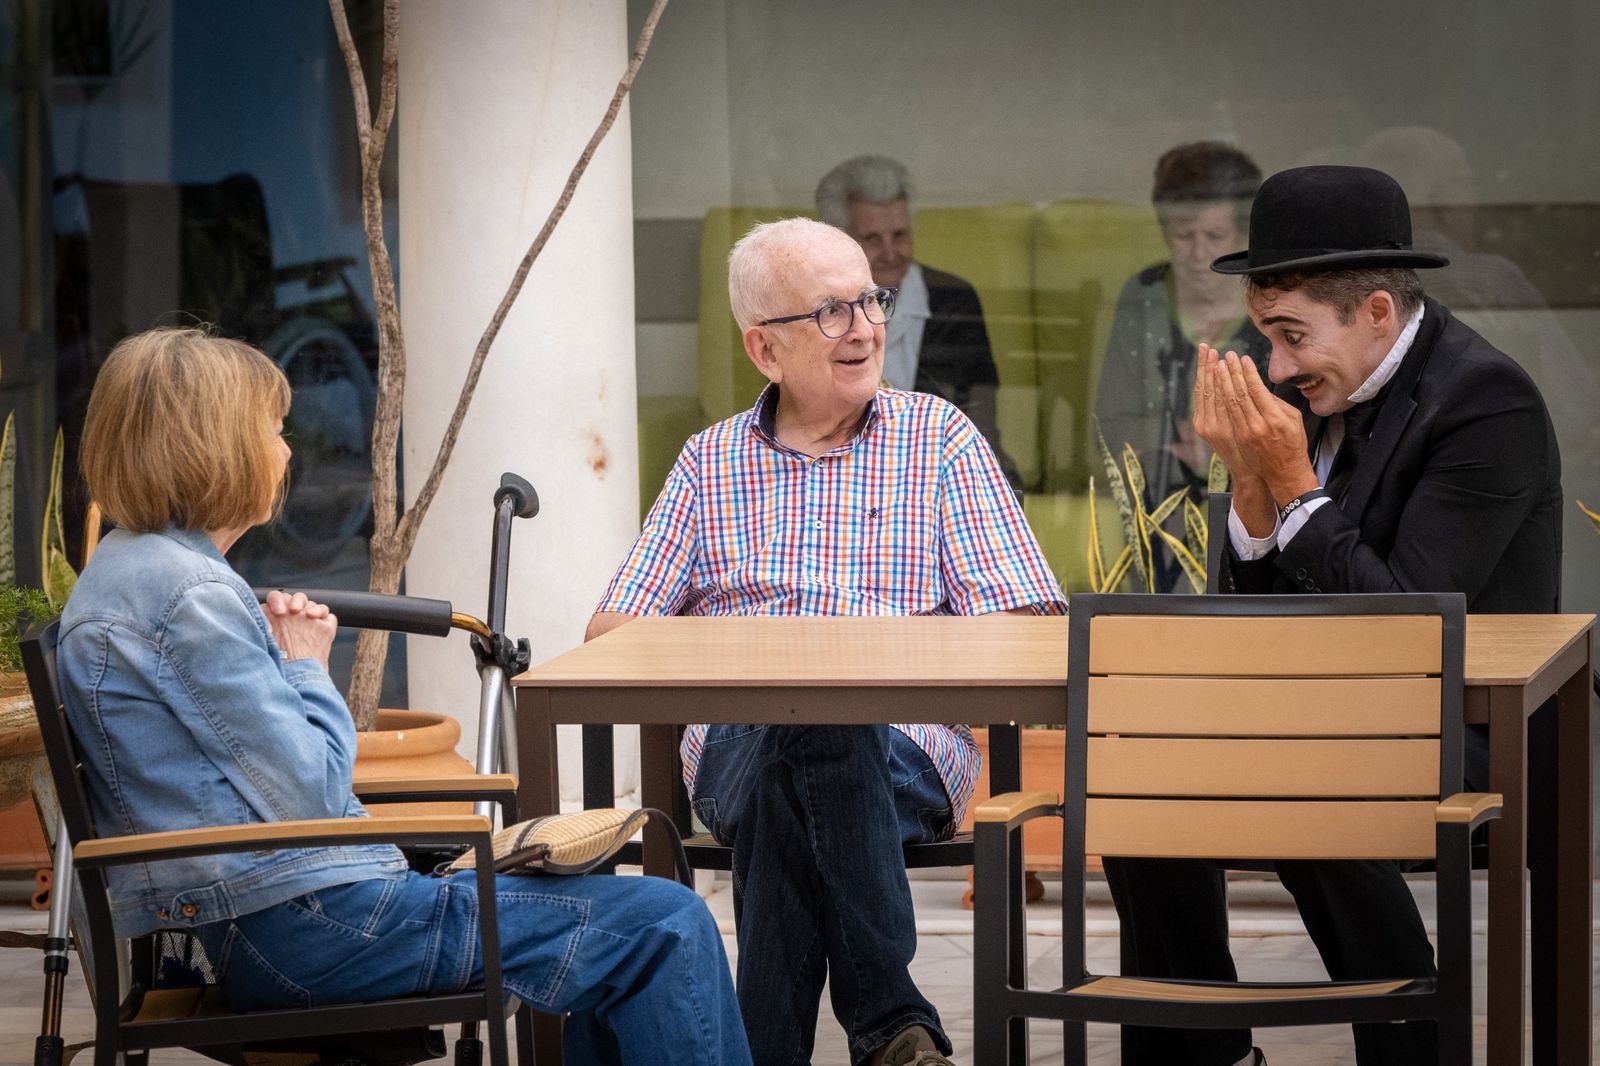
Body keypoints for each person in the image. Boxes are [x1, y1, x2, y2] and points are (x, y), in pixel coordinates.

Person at [58, 327, 751, 1066]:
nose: (287, 452)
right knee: (666, 922)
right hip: (313, 931)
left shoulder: (126, 571)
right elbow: (315, 794)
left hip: (277, 922)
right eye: (272, 429)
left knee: (627, 932)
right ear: (214, 443)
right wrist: (305, 664)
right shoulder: (187, 594)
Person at [1105, 165, 1563, 1066]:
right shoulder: (1311, 392)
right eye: (1265, 338)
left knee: (1303, 763)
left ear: (1378, 313)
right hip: (1329, 710)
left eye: (1290, 336)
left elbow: (1406, 631)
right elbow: (1260, 624)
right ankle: (1202, 1047)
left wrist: (1294, 484)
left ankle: (1407, 1035)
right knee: (1136, 757)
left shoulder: (1486, 403)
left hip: (1468, 721)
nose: (1275, 366)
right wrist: (1247, 481)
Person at [586, 218, 1065, 1066]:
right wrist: (775, 664)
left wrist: (856, 667)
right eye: (832, 311)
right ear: (765, 350)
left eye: (870, 301)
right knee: (793, 738)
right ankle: (891, 1024)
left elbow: (1029, 626)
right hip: (735, 743)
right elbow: (611, 633)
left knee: (808, 747)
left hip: (910, 749)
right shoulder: (710, 462)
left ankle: (776, 1049)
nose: (868, 328)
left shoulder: (940, 442)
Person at [1093, 141, 1267, 590]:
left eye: (1214, 237)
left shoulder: (1271, 303)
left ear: (1244, 237)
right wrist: (1170, 450)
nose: (1196, 253)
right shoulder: (1143, 294)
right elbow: (1111, 418)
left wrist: (1225, 456)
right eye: (1182, 235)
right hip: (1153, 505)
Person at [815, 154, 1022, 493]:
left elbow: (979, 415)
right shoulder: (816, 308)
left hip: (939, 473)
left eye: (900, 234)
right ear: (838, 240)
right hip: (838, 476)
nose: (890, 251)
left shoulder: (953, 300)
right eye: (872, 239)